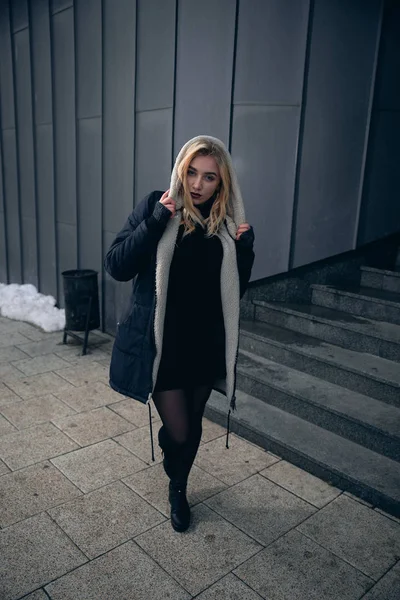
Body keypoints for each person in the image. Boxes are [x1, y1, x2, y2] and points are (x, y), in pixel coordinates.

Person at [104, 135, 255, 532]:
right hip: (162, 347)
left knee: (194, 422)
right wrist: (155, 222)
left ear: (221, 184)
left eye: (209, 178)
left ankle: (179, 488)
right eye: (191, 172)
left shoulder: (224, 226)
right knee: (181, 429)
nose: (197, 184)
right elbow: (116, 264)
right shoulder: (158, 205)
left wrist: (246, 252)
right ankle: (174, 459)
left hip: (204, 344)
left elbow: (235, 292)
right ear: (180, 168)